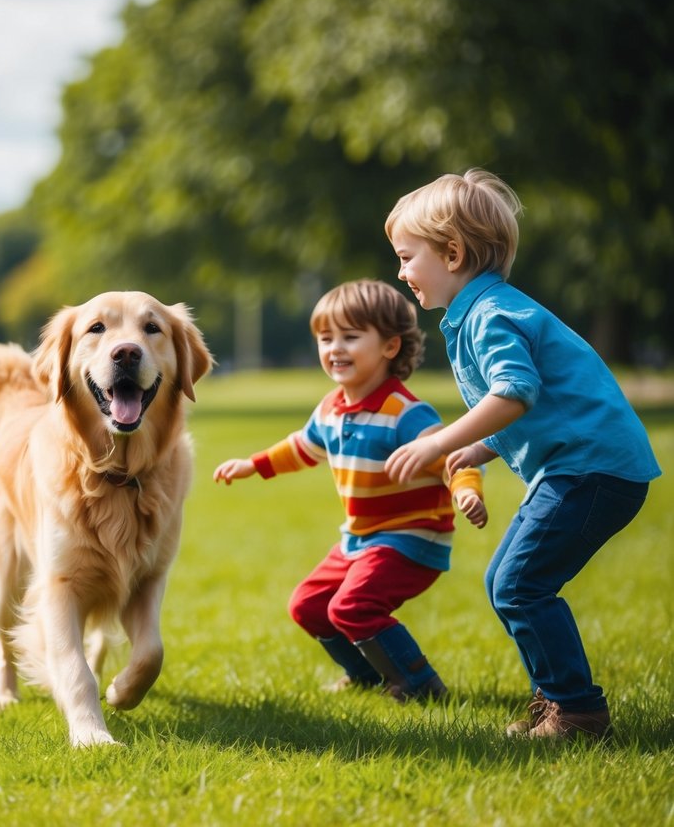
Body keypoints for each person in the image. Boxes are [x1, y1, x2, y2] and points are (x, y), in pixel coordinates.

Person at [383, 169, 660, 739]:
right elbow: (532, 405)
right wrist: (482, 450)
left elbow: (515, 392)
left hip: (591, 471)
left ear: (452, 252)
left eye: (408, 257)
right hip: (588, 466)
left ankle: (577, 713)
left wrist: (443, 440)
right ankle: (558, 703)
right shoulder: (482, 311)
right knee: (505, 584)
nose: (403, 272)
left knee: (518, 586)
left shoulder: (490, 315)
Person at [214, 279, 486, 702]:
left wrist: (467, 491)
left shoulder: (405, 413)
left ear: (390, 347)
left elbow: (452, 458)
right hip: (359, 538)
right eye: (326, 338)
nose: (335, 348)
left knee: (352, 606)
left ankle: (421, 685)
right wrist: (254, 465)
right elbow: (301, 448)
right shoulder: (330, 408)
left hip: (412, 537)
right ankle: (368, 675)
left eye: (350, 337)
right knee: (308, 606)